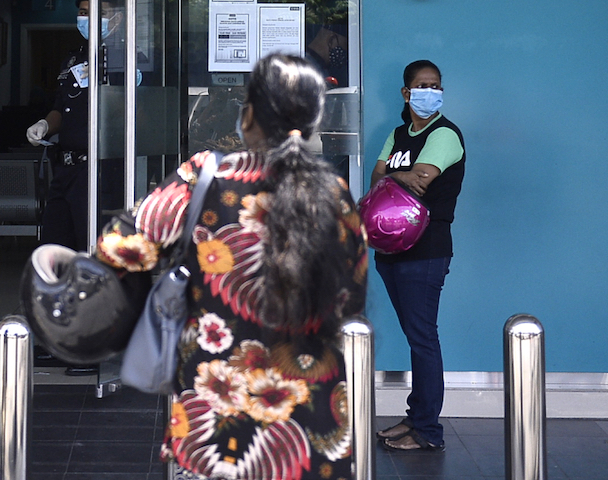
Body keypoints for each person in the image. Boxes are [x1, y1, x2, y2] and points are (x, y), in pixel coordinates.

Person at [95, 53, 368, 479]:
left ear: (248, 116)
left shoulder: (204, 177)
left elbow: (120, 248)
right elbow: (353, 296)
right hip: (312, 425)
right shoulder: (335, 194)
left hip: (216, 425)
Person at [370, 59, 465, 452]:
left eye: (436, 85)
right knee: (416, 336)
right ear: (407, 93)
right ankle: (416, 417)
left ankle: (427, 430)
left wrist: (396, 177)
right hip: (392, 250)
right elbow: (377, 179)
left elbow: (422, 182)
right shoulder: (398, 134)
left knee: (423, 337)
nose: (431, 91)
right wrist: (397, 177)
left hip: (425, 252)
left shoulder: (445, 135)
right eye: (423, 85)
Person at [24, 0, 124, 252]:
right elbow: (61, 107)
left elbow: (139, 115)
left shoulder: (126, 59)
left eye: (99, 13)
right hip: (65, 169)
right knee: (55, 247)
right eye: (83, 12)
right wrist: (45, 125)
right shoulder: (73, 59)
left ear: (117, 19)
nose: (88, 18)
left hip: (99, 170)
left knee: (92, 248)